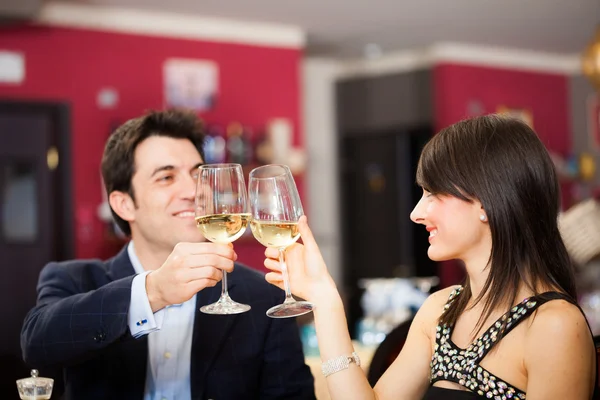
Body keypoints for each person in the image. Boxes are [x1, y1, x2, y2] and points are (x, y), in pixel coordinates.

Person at [263, 114, 598, 399]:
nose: (416, 213)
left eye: (433, 193)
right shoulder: (441, 311)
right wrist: (324, 299)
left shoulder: (554, 325)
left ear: (484, 201)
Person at [21, 109, 315, 400]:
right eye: (166, 177)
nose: (192, 190)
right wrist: (152, 292)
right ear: (124, 205)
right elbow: (37, 344)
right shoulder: (75, 279)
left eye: (198, 174)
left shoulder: (263, 294)